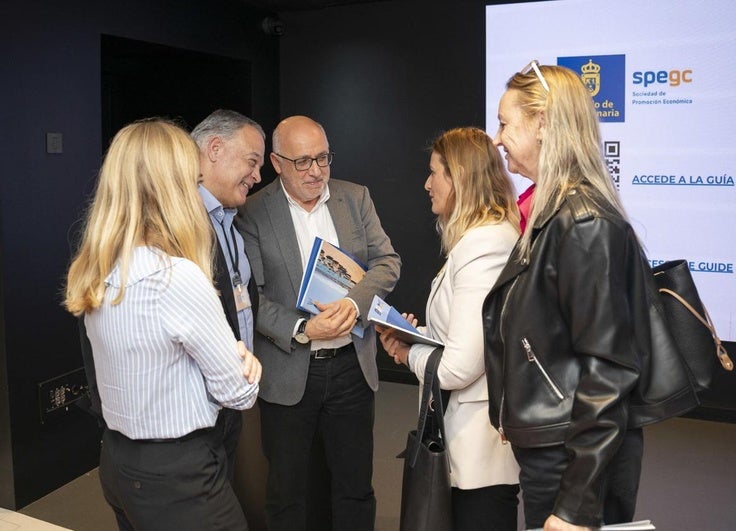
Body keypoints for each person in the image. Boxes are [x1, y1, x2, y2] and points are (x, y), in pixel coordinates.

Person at [482, 62, 696, 531]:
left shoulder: (582, 222)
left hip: (573, 459)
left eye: (503, 122)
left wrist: (575, 504)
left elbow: (609, 368)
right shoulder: (555, 211)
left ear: (541, 124)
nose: (496, 138)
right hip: (560, 445)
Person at [64, 119, 261, 531]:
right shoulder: (177, 277)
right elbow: (239, 393)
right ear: (173, 188)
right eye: (191, 181)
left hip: (118, 462)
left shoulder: (97, 270)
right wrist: (247, 363)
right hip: (179, 476)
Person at [235, 115, 401, 531]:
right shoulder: (254, 212)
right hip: (290, 373)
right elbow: (253, 298)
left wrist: (353, 303)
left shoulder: (354, 198)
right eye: (303, 161)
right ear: (276, 162)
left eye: (323, 159)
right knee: (288, 492)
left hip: (351, 368)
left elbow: (388, 262)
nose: (316, 171)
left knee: (354, 486)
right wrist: (304, 329)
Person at [378, 127, 521, 531]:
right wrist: (418, 333)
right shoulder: (479, 240)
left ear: (459, 177)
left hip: (477, 453)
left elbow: (460, 366)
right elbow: (466, 333)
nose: (427, 184)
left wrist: (408, 353)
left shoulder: (484, 245)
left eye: (434, 172)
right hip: (466, 444)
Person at [190, 109, 264, 477]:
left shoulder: (230, 221)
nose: (257, 176)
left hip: (228, 401)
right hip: (194, 413)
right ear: (215, 148)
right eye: (252, 161)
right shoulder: (180, 223)